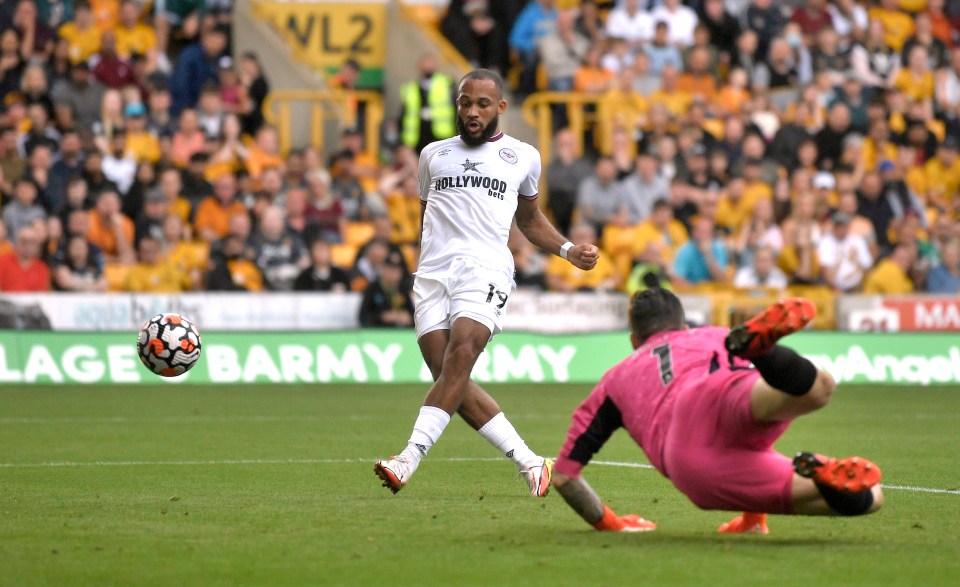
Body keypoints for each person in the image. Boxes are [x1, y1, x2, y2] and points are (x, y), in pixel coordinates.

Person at [374, 69, 599, 496]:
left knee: (462, 354)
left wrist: (569, 251)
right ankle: (532, 462)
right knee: (448, 375)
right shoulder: (432, 155)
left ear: (500, 108)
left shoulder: (523, 157)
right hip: (433, 274)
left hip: (486, 268)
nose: (472, 112)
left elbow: (529, 220)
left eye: (481, 104)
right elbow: (430, 214)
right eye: (464, 102)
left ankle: (408, 458)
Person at [551, 289, 884, 534]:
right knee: (819, 391)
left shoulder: (616, 378)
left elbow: (565, 476)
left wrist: (613, 525)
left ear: (635, 340)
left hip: (687, 450)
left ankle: (807, 480)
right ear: (682, 325)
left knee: (870, 494)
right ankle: (765, 353)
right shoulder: (714, 334)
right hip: (727, 390)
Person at [398, 54, 456, 154]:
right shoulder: (411, 87)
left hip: (441, 134)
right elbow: (404, 114)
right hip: (417, 135)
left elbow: (455, 108)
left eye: (430, 64)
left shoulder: (446, 84)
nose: (427, 68)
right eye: (425, 65)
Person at [358, 250, 415, 327]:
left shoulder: (403, 289)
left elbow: (413, 316)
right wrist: (383, 317)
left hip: (401, 333)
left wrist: (407, 318)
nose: (393, 273)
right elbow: (363, 317)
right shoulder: (373, 288)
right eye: (390, 269)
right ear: (383, 269)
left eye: (397, 270)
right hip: (378, 332)